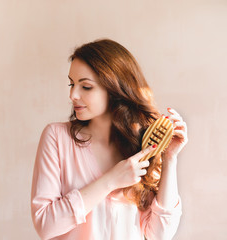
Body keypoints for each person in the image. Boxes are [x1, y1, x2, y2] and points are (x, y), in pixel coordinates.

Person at [31, 39, 188, 240]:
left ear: (115, 89)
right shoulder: (56, 138)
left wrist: (170, 159)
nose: (73, 95)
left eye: (86, 86)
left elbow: (160, 234)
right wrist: (110, 181)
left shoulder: (140, 145)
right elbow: (45, 225)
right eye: (72, 84)